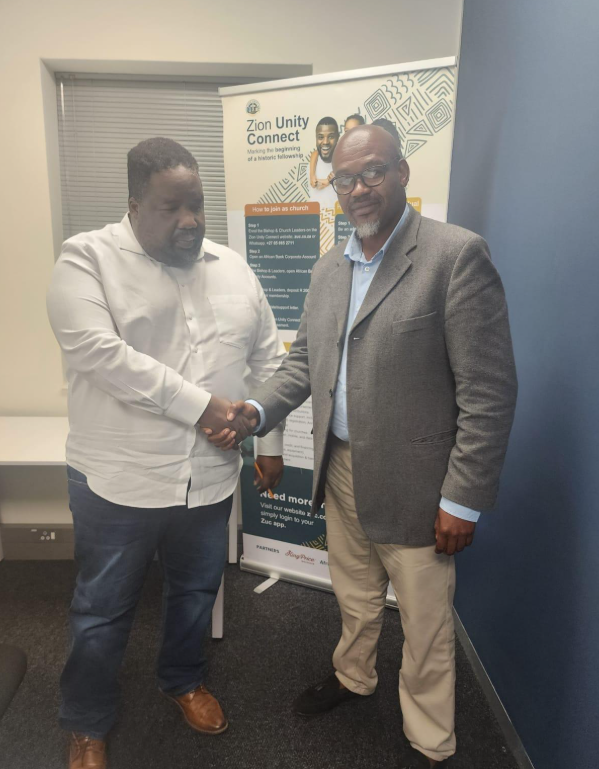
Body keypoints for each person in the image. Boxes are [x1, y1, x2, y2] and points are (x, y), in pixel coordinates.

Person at [220, 125, 518, 767]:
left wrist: (462, 500)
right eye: (345, 178)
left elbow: (489, 391)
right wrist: (255, 411)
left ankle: (431, 739)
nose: (359, 188)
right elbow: (304, 363)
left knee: (425, 621)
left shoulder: (454, 256)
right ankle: (354, 677)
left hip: (418, 483)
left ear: (403, 172)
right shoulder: (330, 267)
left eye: (373, 171)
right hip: (342, 468)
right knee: (354, 594)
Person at [47, 137, 286, 769]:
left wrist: (267, 438)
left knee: (196, 593)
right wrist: (204, 407)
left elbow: (268, 360)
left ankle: (182, 679)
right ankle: (87, 721)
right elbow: (101, 355)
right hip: (118, 481)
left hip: (208, 478)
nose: (189, 220)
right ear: (134, 204)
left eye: (197, 204)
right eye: (170, 207)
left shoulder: (232, 268)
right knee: (102, 609)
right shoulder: (86, 260)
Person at [307, 116, 340, 208]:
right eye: (320, 137)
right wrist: (312, 175)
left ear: (338, 137)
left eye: (331, 137)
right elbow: (315, 152)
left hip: (339, 216)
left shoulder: (345, 163)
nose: (325, 142)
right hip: (315, 215)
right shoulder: (312, 164)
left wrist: (329, 181)